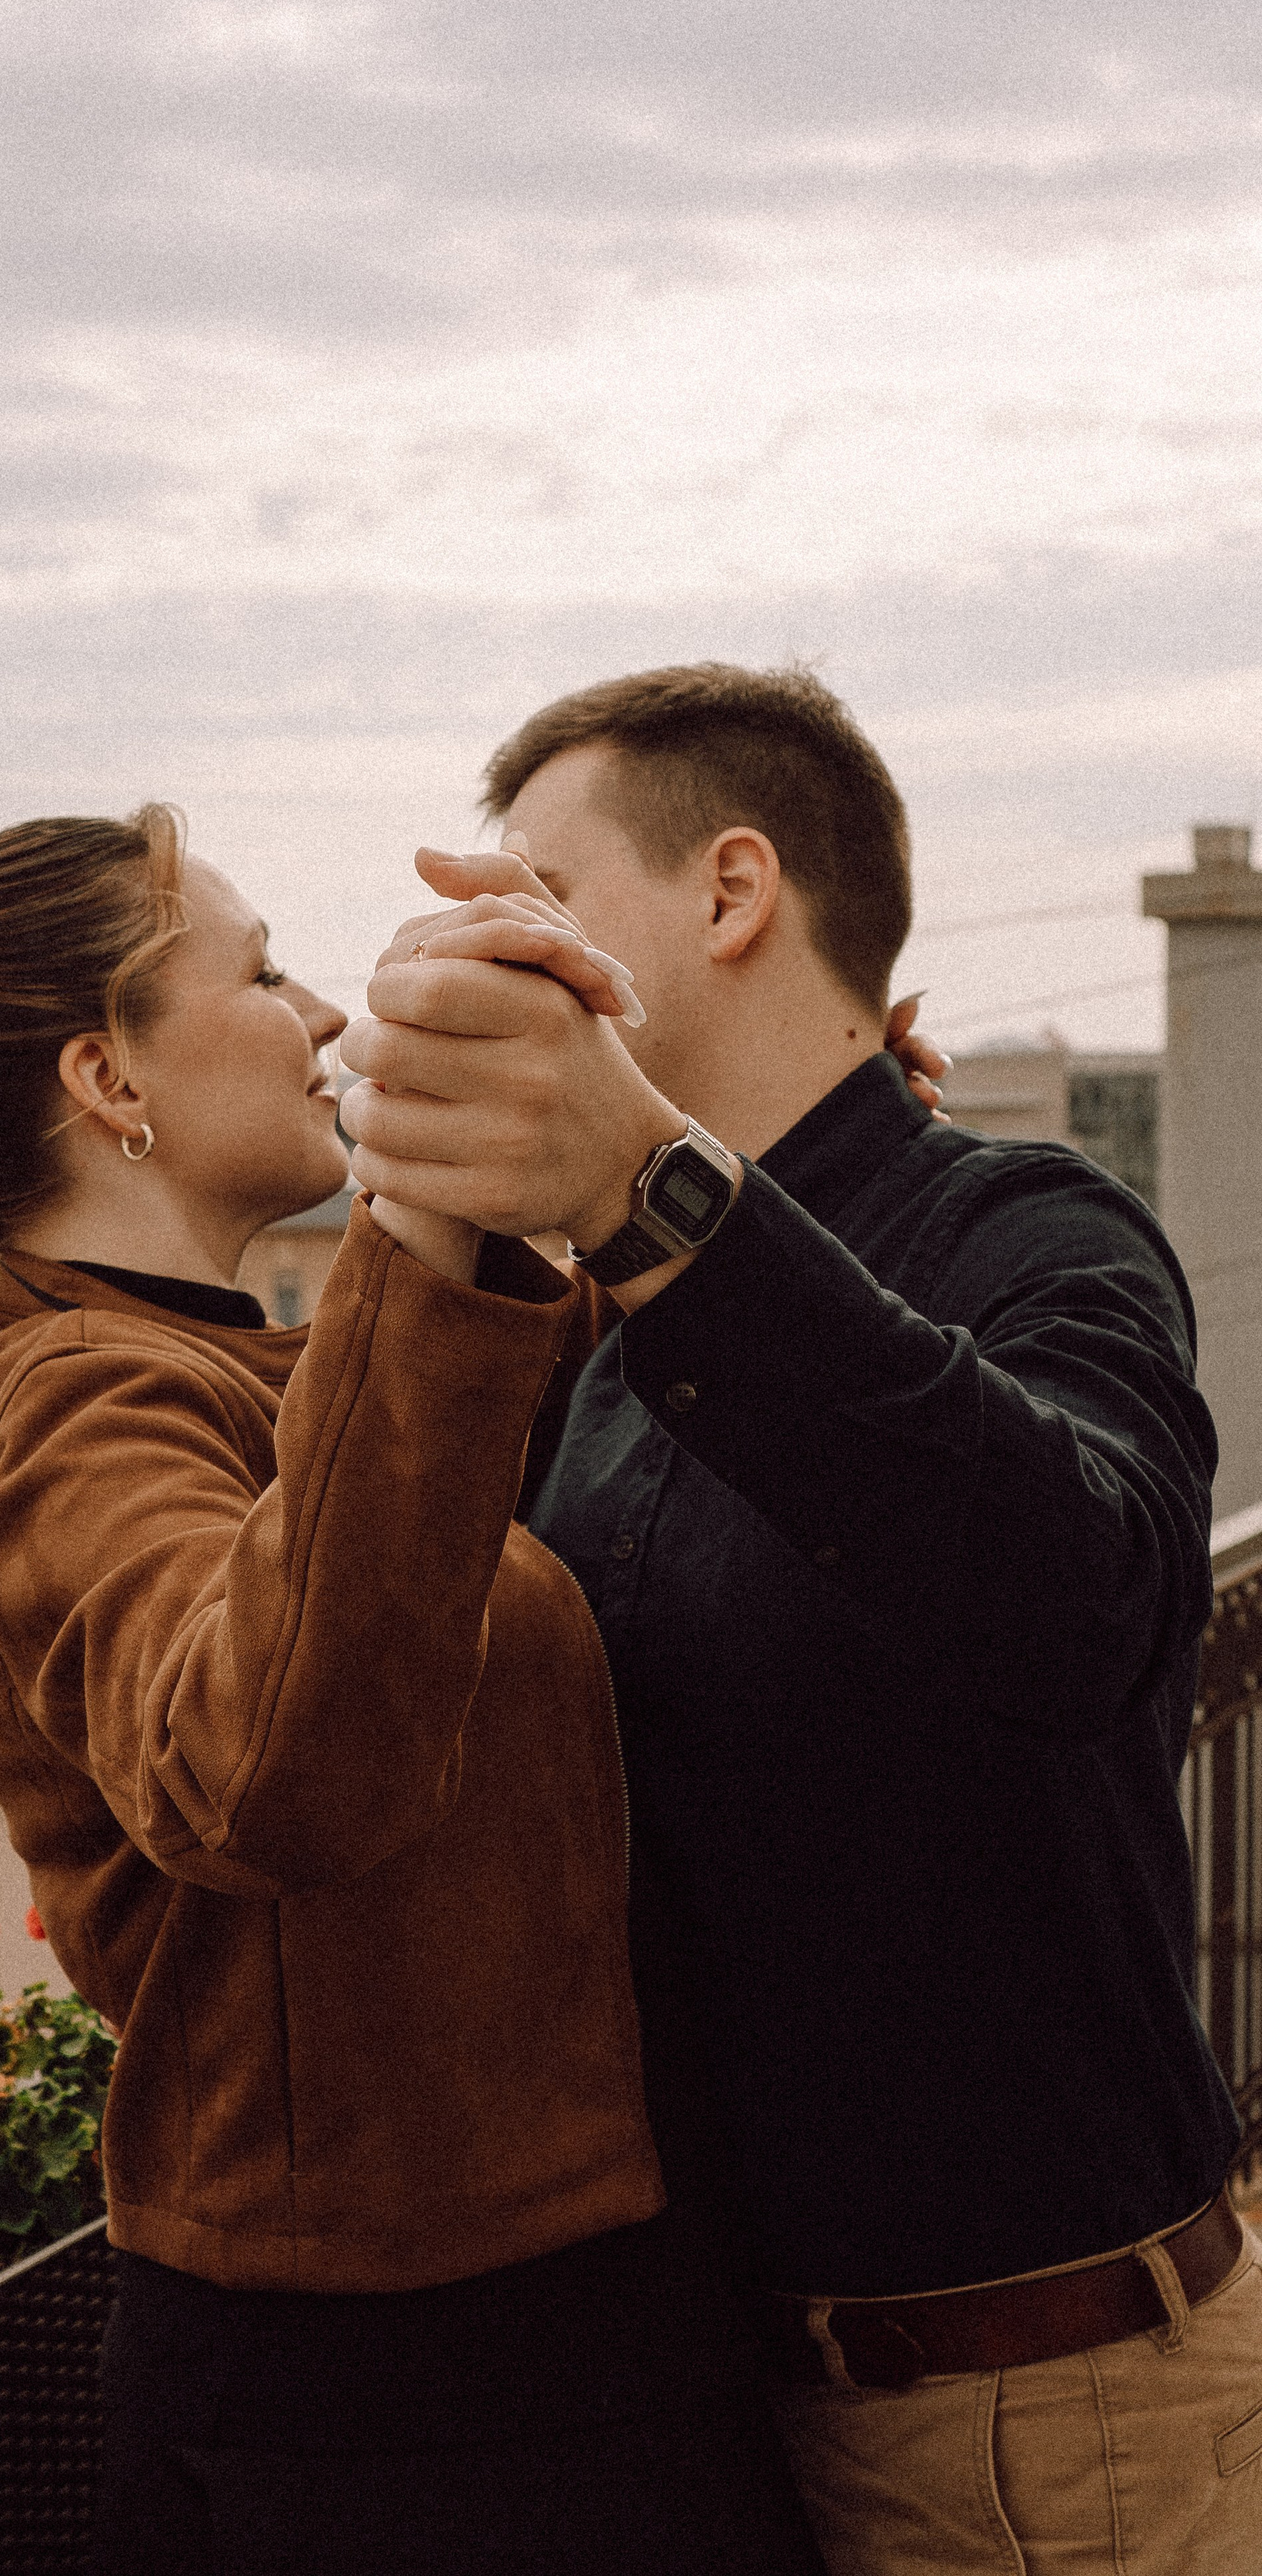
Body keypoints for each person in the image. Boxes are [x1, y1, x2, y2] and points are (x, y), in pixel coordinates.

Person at [0, 781, 833, 2575]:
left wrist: (782, 1113)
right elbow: (267, 1757)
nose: (331, 1012)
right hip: (383, 2404)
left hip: (550, 2324)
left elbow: (607, 1394)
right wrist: (426, 1218)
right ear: (108, 1080)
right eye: (262, 973)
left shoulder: (260, 1373)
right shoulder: (66, 1408)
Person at [338, 660, 1262, 2575]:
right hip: (709, 2416)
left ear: (733, 895)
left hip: (1048, 2428)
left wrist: (653, 1191)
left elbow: (1087, 1605)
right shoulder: (605, 1348)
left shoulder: (1035, 1234)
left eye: (541, 901)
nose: (489, 952)